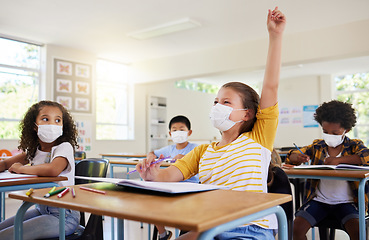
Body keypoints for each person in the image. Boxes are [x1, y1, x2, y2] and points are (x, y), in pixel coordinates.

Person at [136, 7, 286, 240]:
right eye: (215, 101)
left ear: (246, 114)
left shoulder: (258, 139)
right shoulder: (202, 152)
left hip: (250, 228)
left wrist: (275, 36)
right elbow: (168, 177)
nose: (217, 105)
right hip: (210, 227)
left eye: (226, 102)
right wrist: (151, 174)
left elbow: (270, 87)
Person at [285, 100, 369, 240]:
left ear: (346, 130)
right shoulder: (318, 146)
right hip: (319, 201)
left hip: (347, 202)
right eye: (325, 131)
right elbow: (291, 155)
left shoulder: (354, 145)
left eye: (335, 133)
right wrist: (297, 157)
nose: (329, 135)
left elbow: (366, 156)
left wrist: (338, 160)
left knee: (359, 233)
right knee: (295, 230)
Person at [0, 100, 80, 240]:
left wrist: (22, 169)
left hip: (64, 216)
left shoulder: (64, 147)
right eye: (45, 119)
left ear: (63, 126)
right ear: (34, 126)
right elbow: (6, 163)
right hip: (42, 210)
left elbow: (53, 169)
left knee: (5, 236)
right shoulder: (34, 150)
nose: (52, 124)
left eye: (57, 120)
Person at [147, 115, 199, 240]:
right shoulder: (169, 149)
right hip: (171, 185)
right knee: (152, 200)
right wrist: (150, 156)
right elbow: (153, 153)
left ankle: (184, 232)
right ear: (170, 133)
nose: (178, 132)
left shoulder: (195, 148)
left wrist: (185, 159)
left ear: (189, 132)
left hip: (190, 186)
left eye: (181, 129)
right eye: (174, 130)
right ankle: (163, 234)